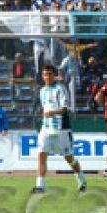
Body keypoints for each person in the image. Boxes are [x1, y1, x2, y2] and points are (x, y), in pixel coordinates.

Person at [31, 64, 87, 194]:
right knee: (41, 154)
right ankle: (40, 186)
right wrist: (46, 117)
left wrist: (52, 113)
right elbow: (45, 108)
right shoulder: (42, 91)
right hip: (46, 127)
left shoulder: (60, 89)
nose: (47, 77)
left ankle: (81, 179)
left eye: (50, 74)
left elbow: (65, 108)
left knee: (69, 158)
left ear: (54, 75)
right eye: (45, 74)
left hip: (61, 128)